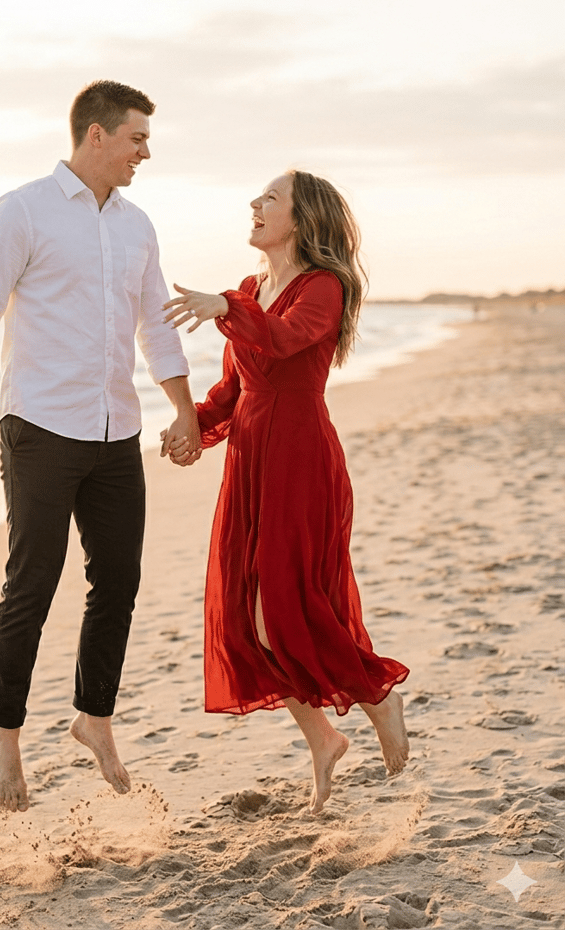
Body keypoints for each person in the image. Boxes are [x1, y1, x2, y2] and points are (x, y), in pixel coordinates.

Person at [0, 80, 200, 812]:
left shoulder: (138, 225)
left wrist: (182, 409)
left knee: (118, 579)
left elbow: (156, 325)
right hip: (38, 426)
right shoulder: (23, 209)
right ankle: (5, 731)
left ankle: (94, 715)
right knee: (33, 579)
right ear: (96, 135)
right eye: (137, 138)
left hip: (114, 429)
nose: (144, 153)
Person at [161, 170, 410, 814]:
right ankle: (323, 738)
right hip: (249, 461)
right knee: (248, 622)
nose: (254, 204)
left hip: (299, 460)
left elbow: (280, 341)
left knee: (287, 614)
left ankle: (379, 696)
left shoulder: (322, 287)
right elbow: (239, 387)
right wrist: (192, 424)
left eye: (270, 198)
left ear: (300, 220)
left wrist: (225, 308)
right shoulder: (250, 289)